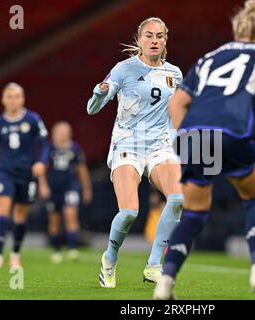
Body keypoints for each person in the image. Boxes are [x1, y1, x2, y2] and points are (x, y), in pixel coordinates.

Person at [154, 0, 255, 300]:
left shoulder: (208, 58)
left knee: (194, 215)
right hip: (233, 131)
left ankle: (166, 282)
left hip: (195, 135)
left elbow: (177, 104)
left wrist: (186, 139)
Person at [87, 17, 184, 287]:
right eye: (149, 35)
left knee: (177, 198)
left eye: (160, 36)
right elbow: (92, 109)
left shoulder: (175, 74)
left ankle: (154, 265)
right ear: (139, 39)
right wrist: (99, 93)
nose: (154, 40)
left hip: (159, 146)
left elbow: (175, 114)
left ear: (166, 40)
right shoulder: (123, 69)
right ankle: (109, 259)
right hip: (127, 145)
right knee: (129, 212)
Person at [0, 82, 50, 268]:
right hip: (5, 172)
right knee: (2, 211)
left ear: (23, 99)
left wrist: (41, 161)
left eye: (17, 96)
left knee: (20, 215)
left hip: (26, 174)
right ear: (3, 99)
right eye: (9, 96)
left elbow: (45, 144)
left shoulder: (33, 119)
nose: (13, 100)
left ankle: (15, 254)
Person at [46, 121, 93, 264]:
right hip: (54, 189)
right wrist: (42, 185)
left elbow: (82, 170)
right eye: (59, 131)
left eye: (64, 131)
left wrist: (86, 189)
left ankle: (73, 249)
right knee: (54, 221)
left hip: (70, 188)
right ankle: (57, 251)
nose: (62, 134)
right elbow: (43, 168)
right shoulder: (49, 149)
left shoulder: (75, 148)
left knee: (71, 217)